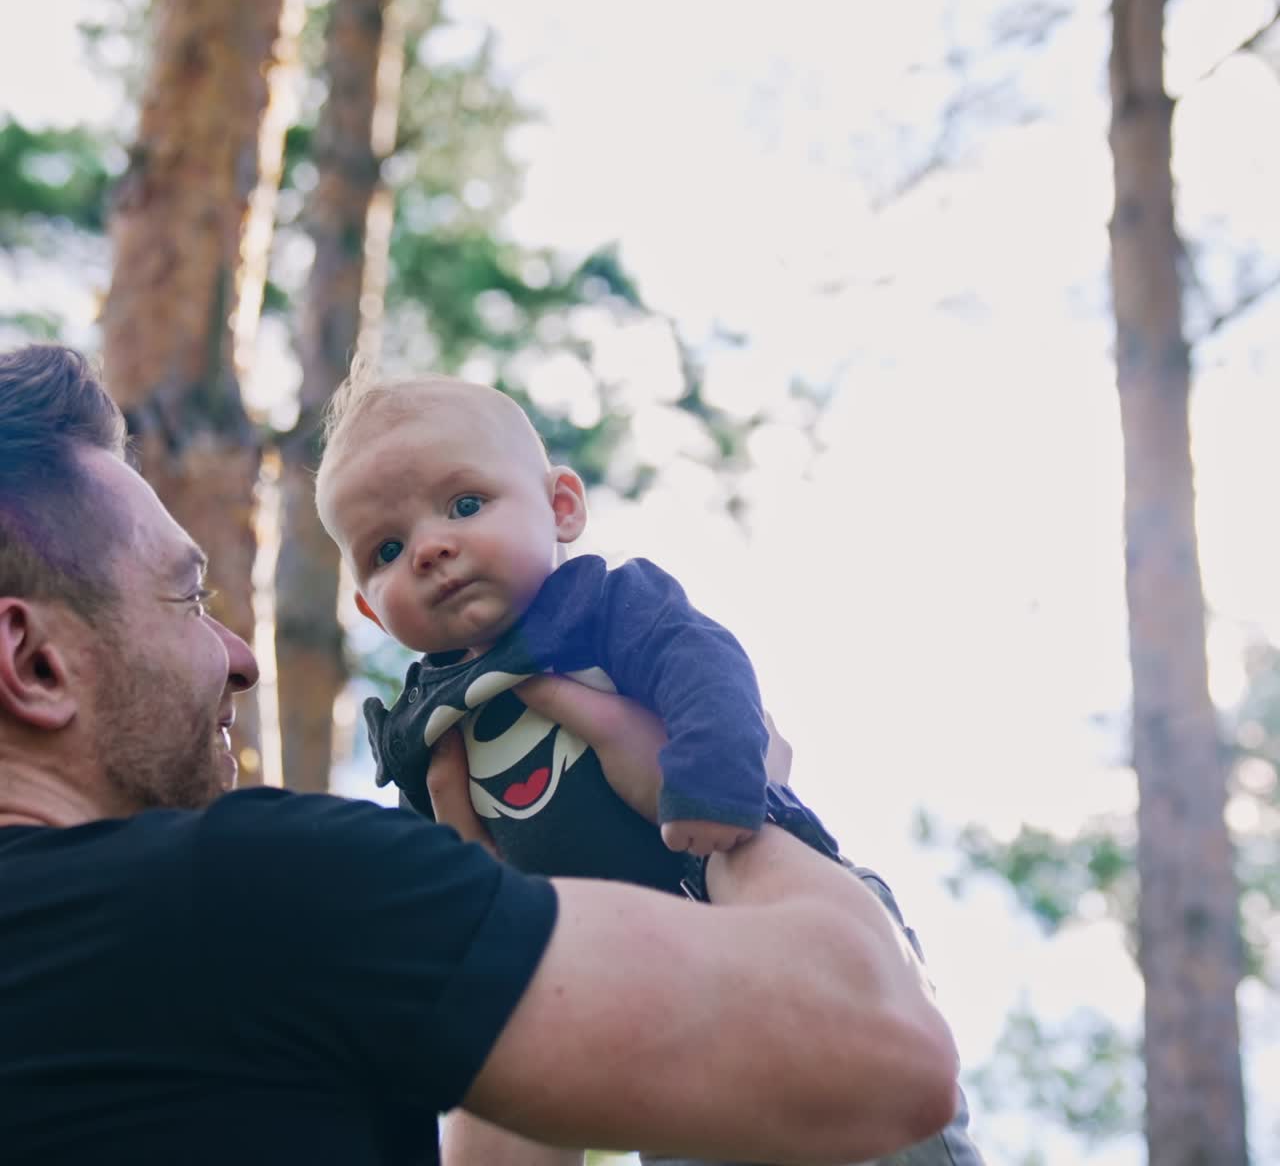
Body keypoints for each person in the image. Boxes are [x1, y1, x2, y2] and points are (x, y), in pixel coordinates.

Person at [0, 341, 961, 1166]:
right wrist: (747, 819)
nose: (242, 659)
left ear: (562, 506)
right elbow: (888, 1050)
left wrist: (502, 907)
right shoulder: (252, 887)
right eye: (190, 600)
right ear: (35, 662)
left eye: (464, 505)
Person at [315, 365, 985, 1166]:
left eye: (465, 505)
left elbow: (703, 666)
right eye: (386, 550)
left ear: (561, 507)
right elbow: (435, 869)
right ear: (365, 604)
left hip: (745, 896)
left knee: (879, 1135)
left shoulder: (600, 608)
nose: (430, 548)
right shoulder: (427, 727)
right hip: (641, 989)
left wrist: (711, 787)